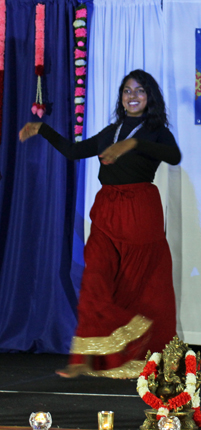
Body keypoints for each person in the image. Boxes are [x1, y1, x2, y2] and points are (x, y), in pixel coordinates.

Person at [19, 69, 180, 378]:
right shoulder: (114, 130)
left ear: (150, 98)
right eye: (127, 91)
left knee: (135, 286)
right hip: (107, 209)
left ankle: (139, 354)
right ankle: (85, 356)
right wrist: (42, 129)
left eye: (140, 91)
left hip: (140, 212)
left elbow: (173, 156)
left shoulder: (156, 130)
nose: (132, 96)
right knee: (96, 277)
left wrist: (133, 146)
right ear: (121, 98)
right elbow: (75, 151)